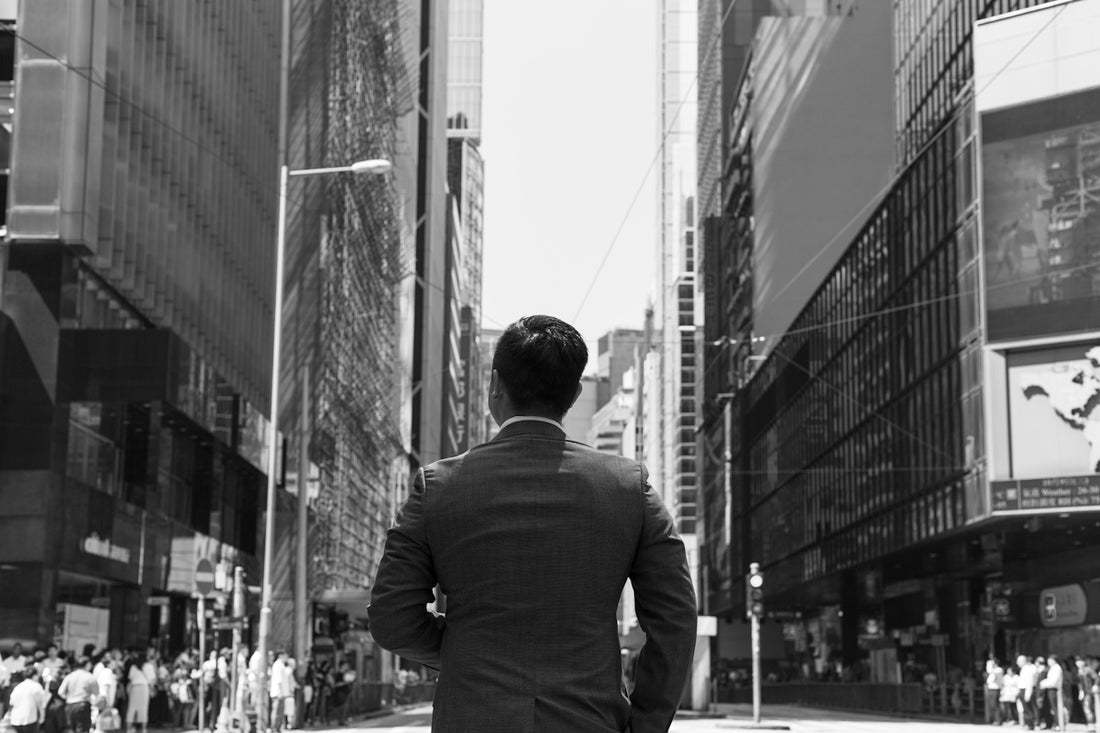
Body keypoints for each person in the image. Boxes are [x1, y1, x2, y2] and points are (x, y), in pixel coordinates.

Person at [369, 315, 698, 733]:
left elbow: (391, 619)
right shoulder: (628, 486)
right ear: (575, 394)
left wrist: (464, 653)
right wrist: (646, 725)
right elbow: (676, 619)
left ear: (494, 384)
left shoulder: (438, 486)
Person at [57, 656, 99, 733]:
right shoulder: (89, 676)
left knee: (70, 730)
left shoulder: (70, 676)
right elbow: (96, 693)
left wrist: (68, 698)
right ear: (87, 664)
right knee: (82, 729)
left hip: (70, 705)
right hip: (83, 705)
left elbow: (60, 692)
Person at [123, 653, 151, 733]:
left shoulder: (133, 667)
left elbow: (130, 678)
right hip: (144, 688)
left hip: (134, 688)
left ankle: (129, 728)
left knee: (132, 707)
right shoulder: (149, 666)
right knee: (144, 708)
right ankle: (143, 729)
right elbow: (152, 679)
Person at [1078, 656, 1099, 733]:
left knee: (1088, 709)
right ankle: (1090, 724)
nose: (1078, 663)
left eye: (1079, 661)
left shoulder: (1088, 669)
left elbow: (1096, 678)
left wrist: (1095, 685)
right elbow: (1080, 683)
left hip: (1089, 692)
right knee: (1086, 708)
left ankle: (1091, 725)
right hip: (1084, 692)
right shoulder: (1080, 670)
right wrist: (1080, 691)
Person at [1019, 655, 1040, 730]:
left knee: (1028, 708)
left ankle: (1031, 724)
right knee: (1029, 708)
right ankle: (1032, 723)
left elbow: (1029, 681)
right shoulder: (1030, 668)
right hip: (1026, 689)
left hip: (1027, 689)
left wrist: (1027, 694)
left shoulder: (1028, 668)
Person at [985, 658, 1004, 725]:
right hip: (991, 689)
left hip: (996, 689)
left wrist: (989, 664)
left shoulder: (999, 670)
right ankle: (995, 719)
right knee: (992, 705)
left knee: (995, 705)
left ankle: (998, 720)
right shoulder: (994, 670)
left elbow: (989, 671)